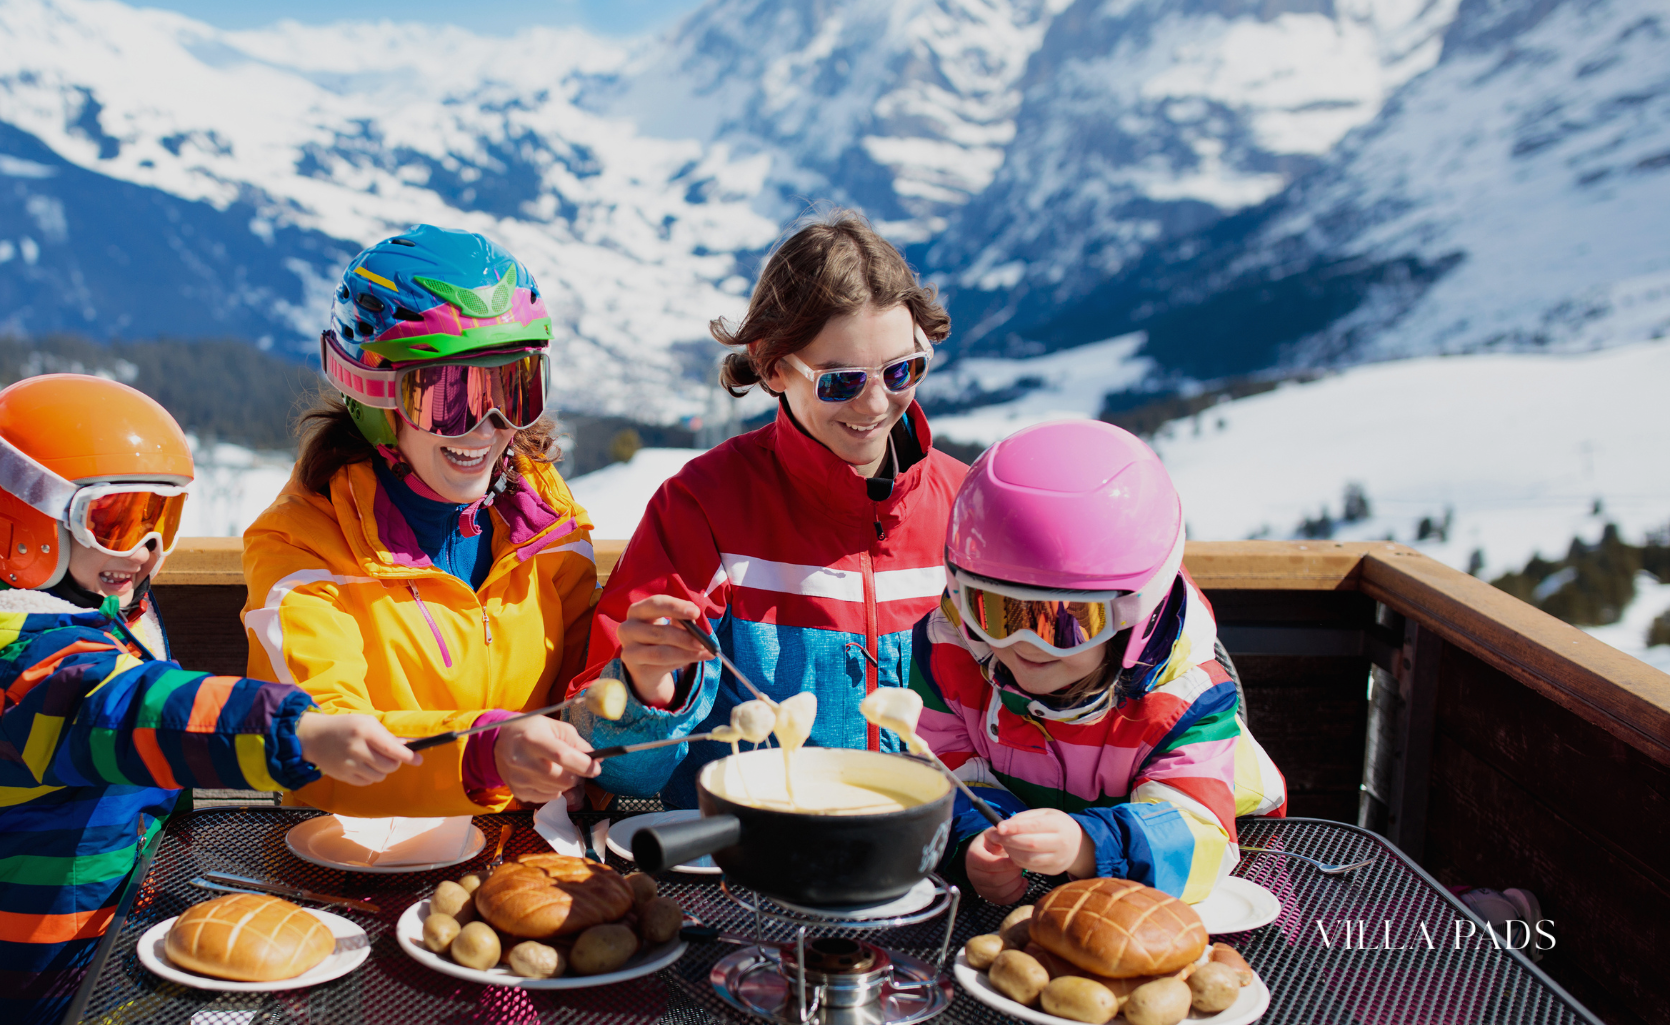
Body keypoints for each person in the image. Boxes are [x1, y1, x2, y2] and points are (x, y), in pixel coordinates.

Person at [0, 374, 412, 1025]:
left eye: (164, 518)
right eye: (117, 519)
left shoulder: (95, 620)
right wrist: (294, 730)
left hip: (112, 965)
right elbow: (137, 710)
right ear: (26, 520)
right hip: (52, 997)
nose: (147, 547)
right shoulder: (30, 671)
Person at [571, 210, 965, 807]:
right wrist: (646, 688)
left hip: (923, 855)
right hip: (747, 858)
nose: (878, 402)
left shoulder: (968, 511)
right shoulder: (705, 507)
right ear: (773, 366)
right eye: (841, 381)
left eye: (902, 370)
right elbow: (618, 772)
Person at [241, 224, 601, 817]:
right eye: (449, 397)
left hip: (528, 849)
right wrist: (479, 753)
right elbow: (319, 736)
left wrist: (640, 679)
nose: (487, 426)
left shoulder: (540, 515)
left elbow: (582, 677)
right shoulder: (304, 544)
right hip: (367, 862)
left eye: (514, 388)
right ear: (376, 397)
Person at [913, 419, 1288, 906]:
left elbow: (1199, 837)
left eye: (1064, 623)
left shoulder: (1182, 702)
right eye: (997, 611)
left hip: (1216, 890)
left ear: (1136, 615)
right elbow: (940, 771)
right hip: (1037, 899)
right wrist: (976, 839)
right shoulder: (953, 659)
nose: (1027, 644)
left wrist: (1087, 845)